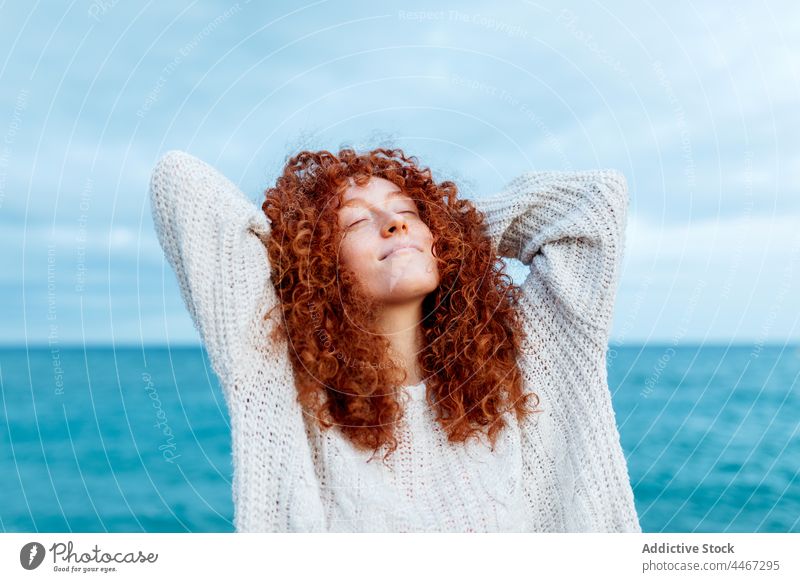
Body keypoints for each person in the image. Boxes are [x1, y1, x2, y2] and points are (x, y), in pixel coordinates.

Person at [148, 146, 642, 533]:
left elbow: (595, 204)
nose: (396, 223)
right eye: (357, 222)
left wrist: (455, 233)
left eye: (409, 213)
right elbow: (181, 184)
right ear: (319, 260)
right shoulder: (277, 373)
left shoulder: (522, 363)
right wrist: (297, 264)